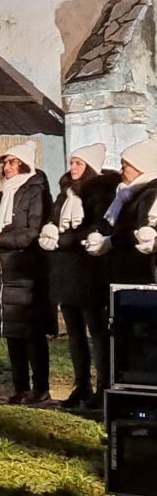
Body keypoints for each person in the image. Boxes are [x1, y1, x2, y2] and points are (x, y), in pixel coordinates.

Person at [38, 144, 119, 409]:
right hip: (65, 272)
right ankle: (81, 384)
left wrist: (61, 241)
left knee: (97, 332)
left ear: (90, 167)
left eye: (78, 163)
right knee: (74, 333)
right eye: (71, 162)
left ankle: (104, 384)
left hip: (89, 272)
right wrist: (49, 230)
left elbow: (95, 228)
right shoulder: (65, 192)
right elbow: (54, 219)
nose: (72, 167)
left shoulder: (100, 193)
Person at [0, 141, 54, 405]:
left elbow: (33, 231)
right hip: (4, 270)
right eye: (5, 163)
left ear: (24, 164)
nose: (7, 167)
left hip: (27, 270)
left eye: (12, 162)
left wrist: (0, 238)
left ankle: (41, 387)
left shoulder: (36, 193)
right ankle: (20, 386)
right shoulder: (2, 195)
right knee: (12, 332)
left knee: (32, 332)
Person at [83, 139, 157, 406]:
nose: (122, 169)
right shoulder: (124, 194)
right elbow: (112, 225)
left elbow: (140, 231)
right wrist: (98, 237)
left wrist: (112, 241)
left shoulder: (149, 193)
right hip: (118, 276)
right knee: (121, 337)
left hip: (139, 277)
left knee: (140, 338)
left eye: (127, 165)